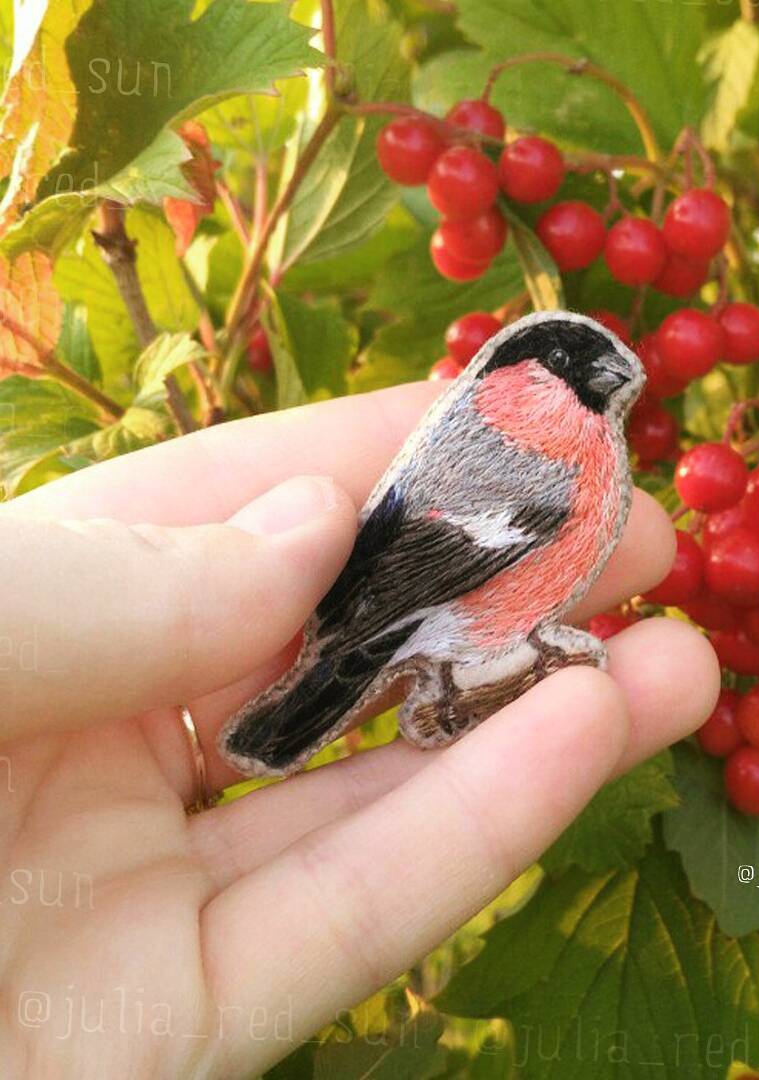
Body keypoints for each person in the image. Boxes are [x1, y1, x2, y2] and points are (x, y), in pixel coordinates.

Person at [0, 380, 719, 1077]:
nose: (604, 390)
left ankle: (381, 693)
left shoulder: (523, 451)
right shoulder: (554, 467)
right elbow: (453, 559)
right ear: (514, 385)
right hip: (431, 604)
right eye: (572, 373)